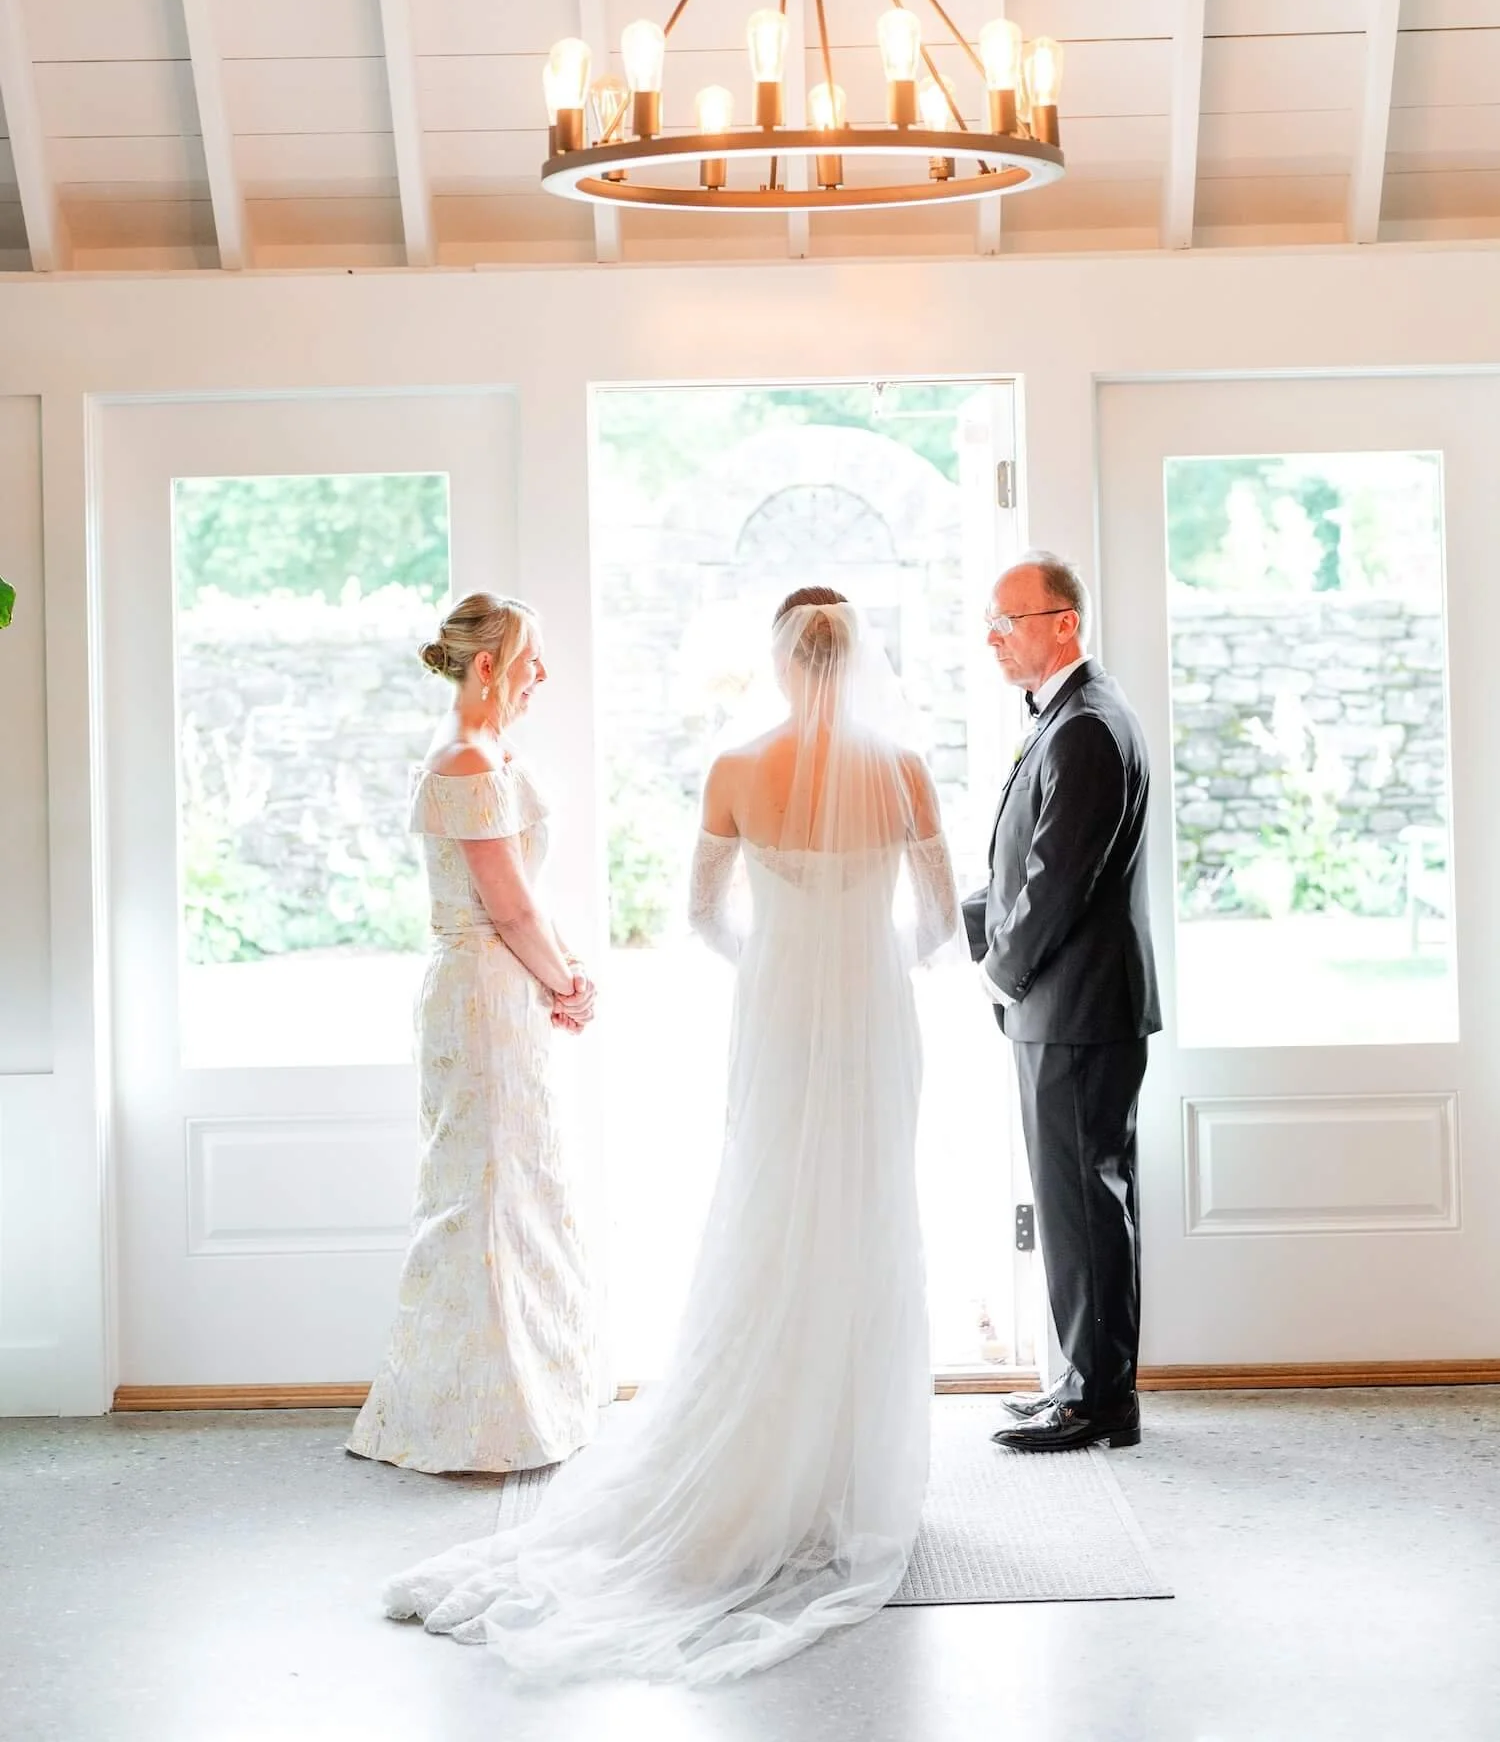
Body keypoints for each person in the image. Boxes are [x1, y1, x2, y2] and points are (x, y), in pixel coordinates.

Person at [382, 586, 959, 1686]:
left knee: (769, 1209)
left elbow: (702, 914)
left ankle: (763, 1454)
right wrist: (874, 965)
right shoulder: (905, 768)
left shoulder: (738, 767)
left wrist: (778, 967)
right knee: (873, 1211)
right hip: (876, 1020)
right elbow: (936, 915)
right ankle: (855, 1473)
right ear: (858, 661)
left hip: (778, 1018)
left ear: (784, 662)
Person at [348, 592, 600, 1476]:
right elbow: (506, 903)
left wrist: (570, 973)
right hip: (483, 994)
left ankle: (532, 1394)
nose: (542, 675)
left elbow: (529, 896)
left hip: (510, 988)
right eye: (531, 658)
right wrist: (565, 980)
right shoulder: (460, 758)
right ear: (487, 666)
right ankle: (470, 1414)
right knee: (481, 1190)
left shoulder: (493, 751)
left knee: (520, 1182)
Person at [963, 552, 1161, 1454]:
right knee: (1083, 1200)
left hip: (1076, 1009)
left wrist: (999, 971)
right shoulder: (1068, 718)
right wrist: (960, 917)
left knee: (1084, 1202)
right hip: (1073, 1008)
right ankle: (1084, 1380)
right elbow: (1024, 862)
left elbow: (1055, 882)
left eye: (1009, 620)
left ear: (1063, 623)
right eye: (993, 623)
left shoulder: (1086, 725)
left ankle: (1100, 1400)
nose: (995, 637)